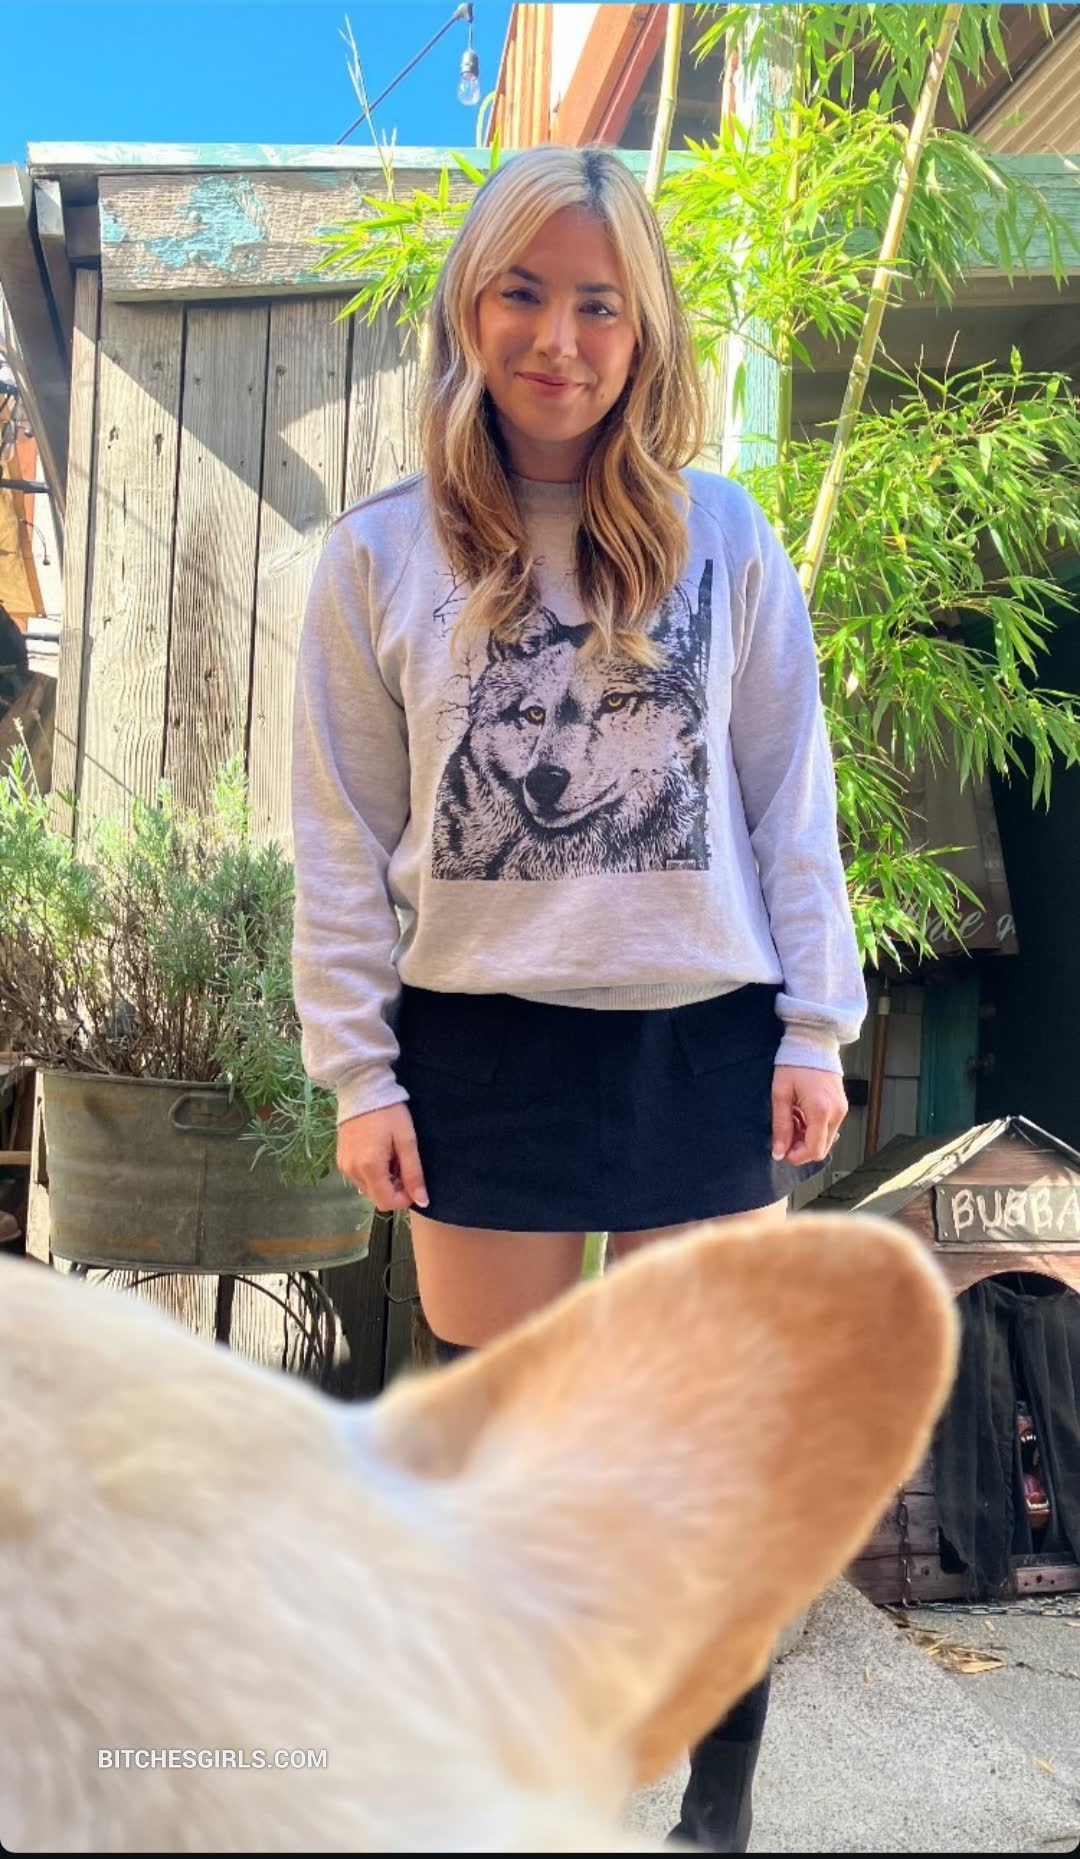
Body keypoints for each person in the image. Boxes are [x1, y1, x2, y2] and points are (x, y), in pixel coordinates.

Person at [291, 144, 866, 1853]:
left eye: (600, 303)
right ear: (470, 306)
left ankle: (717, 1803)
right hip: (480, 1047)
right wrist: (360, 1073)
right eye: (526, 292)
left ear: (646, 328)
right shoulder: (375, 559)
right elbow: (340, 836)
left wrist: (814, 1028)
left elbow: (791, 801)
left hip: (705, 1040)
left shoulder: (724, 538)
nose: (560, 337)